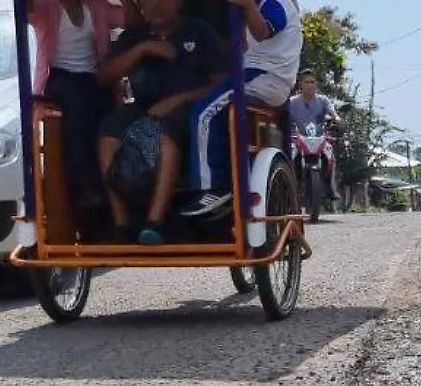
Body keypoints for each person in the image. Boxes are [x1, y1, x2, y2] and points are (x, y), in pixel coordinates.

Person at [95, 0, 226, 243]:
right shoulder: (134, 36)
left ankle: (155, 221)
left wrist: (177, 100)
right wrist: (142, 49)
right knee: (108, 131)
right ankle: (121, 223)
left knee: (169, 129)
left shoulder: (200, 31)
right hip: (144, 107)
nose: (155, 5)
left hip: (191, 108)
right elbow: (104, 76)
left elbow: (220, 83)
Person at [183, 0, 301, 218]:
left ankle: (213, 188)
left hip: (264, 76)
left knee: (203, 114)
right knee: (210, 106)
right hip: (262, 75)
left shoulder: (279, 3)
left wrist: (246, 6)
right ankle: (226, 176)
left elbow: (263, 32)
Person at [29, 0, 118, 207]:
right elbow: (26, 10)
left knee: (108, 113)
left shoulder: (96, 6)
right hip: (60, 76)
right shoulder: (47, 6)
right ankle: (82, 184)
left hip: (93, 77)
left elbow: (131, 20)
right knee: (76, 107)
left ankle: (109, 187)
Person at [286, 69, 338, 194]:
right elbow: (283, 114)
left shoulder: (323, 100)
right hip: (297, 138)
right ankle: (289, 186)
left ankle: (330, 186)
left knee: (331, 155)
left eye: (312, 82)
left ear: (316, 84)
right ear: (300, 84)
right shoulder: (292, 102)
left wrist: (337, 119)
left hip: (319, 136)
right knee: (289, 155)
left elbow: (333, 113)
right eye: (306, 82)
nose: (309, 85)